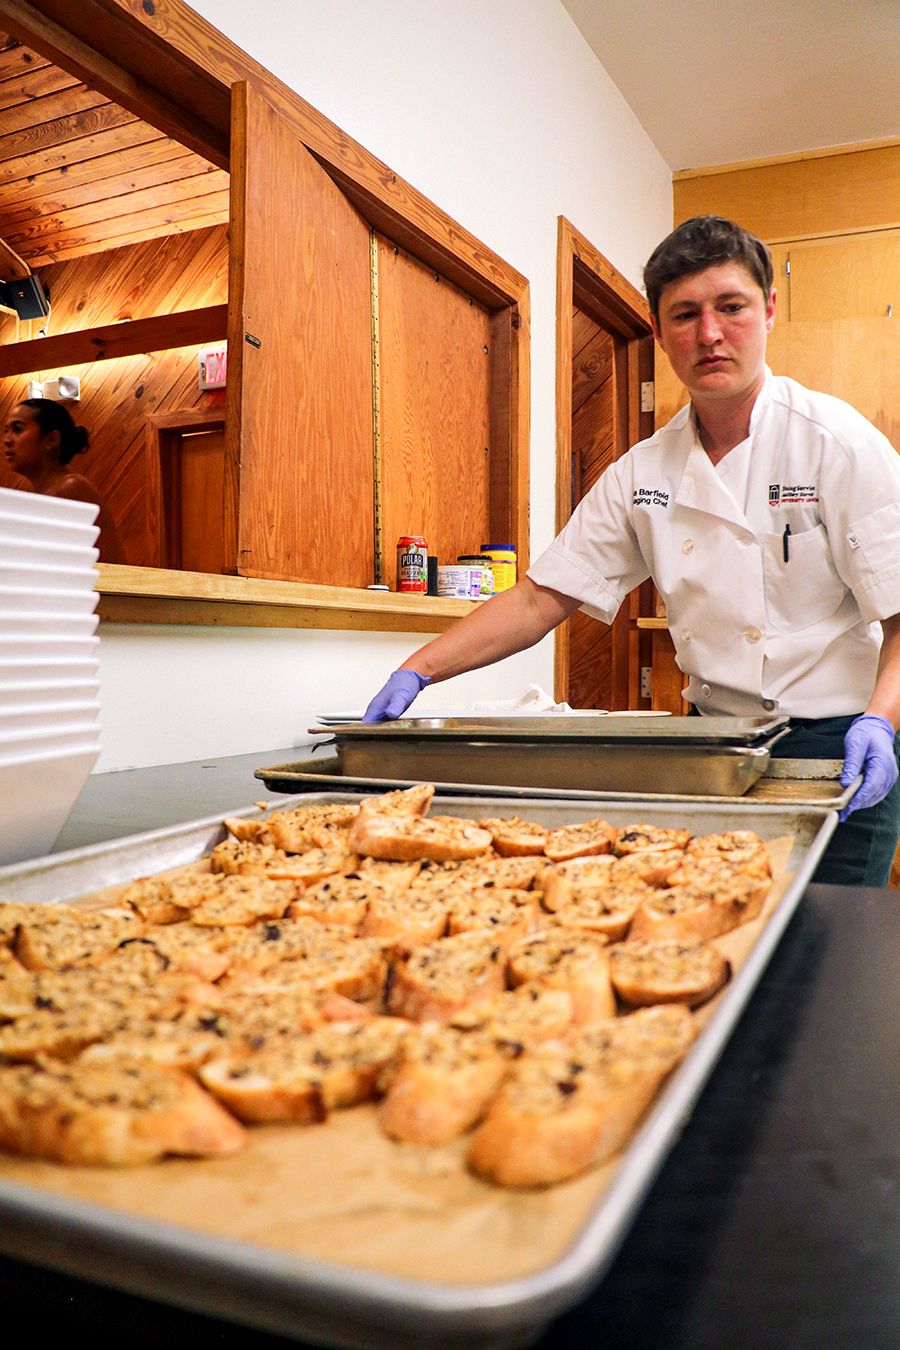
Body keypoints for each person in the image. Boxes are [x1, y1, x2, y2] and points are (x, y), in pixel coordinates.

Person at [363, 215, 900, 887]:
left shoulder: (836, 443)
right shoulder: (643, 472)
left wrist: (880, 721)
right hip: (716, 748)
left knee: (830, 955)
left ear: (767, 310)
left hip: (838, 742)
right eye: (685, 315)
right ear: (659, 331)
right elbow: (538, 599)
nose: (709, 334)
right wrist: (419, 669)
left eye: (730, 307)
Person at [3, 397, 125, 563]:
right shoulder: (39, 494)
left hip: (101, 587)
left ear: (51, 439)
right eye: (6, 431)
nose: (7, 440)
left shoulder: (70, 488)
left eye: (17, 430)